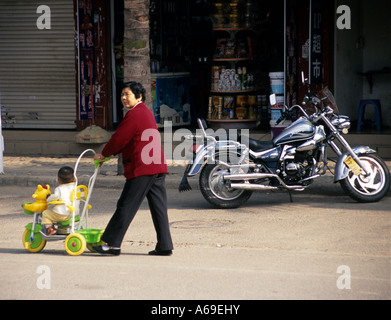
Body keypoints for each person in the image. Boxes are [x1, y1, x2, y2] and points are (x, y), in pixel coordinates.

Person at [93, 81, 173, 256]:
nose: (123, 98)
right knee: (158, 206)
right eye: (122, 94)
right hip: (156, 165)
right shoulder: (145, 112)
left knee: (126, 205)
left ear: (139, 96)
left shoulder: (134, 114)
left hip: (143, 167)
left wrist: (104, 154)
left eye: (127, 94)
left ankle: (111, 244)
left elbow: (119, 139)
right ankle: (165, 245)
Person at [41, 166, 77, 236]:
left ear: (58, 180)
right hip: (74, 214)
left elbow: (55, 197)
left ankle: (49, 228)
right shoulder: (76, 188)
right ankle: (62, 231)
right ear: (74, 179)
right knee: (61, 210)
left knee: (46, 213)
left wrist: (48, 199)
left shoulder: (59, 189)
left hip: (62, 214)